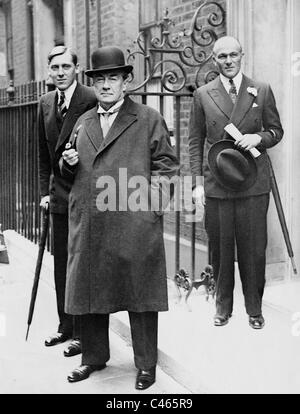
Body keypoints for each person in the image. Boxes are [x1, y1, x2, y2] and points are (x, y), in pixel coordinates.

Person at [61, 46, 179, 390]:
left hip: (132, 224)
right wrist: (66, 164)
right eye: (100, 79)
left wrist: (148, 210)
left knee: (139, 293)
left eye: (113, 77)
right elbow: (66, 171)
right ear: (93, 84)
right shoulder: (83, 122)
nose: (106, 85)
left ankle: (146, 364)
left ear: (126, 81)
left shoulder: (148, 118)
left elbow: (167, 168)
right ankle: (94, 358)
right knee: (89, 292)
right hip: (91, 224)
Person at [188, 36, 283, 329]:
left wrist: (259, 137)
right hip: (218, 183)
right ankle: (223, 307)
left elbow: (277, 131)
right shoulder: (203, 95)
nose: (228, 61)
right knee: (220, 247)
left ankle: (254, 308)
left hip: (253, 183)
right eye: (221, 57)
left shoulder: (261, 90)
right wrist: (196, 183)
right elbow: (194, 142)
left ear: (242, 55)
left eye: (233, 55)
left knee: (254, 248)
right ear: (214, 60)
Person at [38, 46, 97, 356]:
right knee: (61, 262)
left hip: (84, 194)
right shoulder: (46, 102)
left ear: (77, 68)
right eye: (54, 67)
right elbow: (42, 156)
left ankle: (85, 334)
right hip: (59, 197)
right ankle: (65, 326)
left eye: (65, 66)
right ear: (49, 71)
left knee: (82, 264)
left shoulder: (90, 98)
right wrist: (44, 193)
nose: (60, 72)